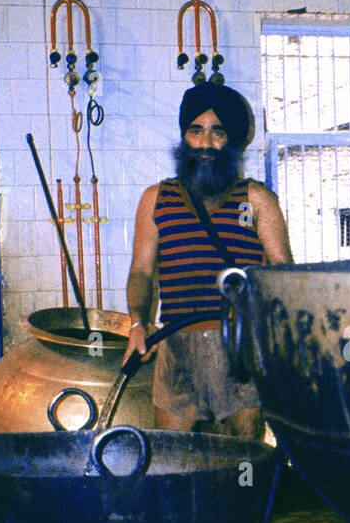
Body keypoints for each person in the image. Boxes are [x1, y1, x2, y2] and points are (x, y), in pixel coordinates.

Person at [123, 81, 292, 439]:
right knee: (174, 457)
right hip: (176, 350)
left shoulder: (258, 200)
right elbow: (140, 271)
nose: (206, 143)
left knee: (244, 460)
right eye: (196, 131)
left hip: (241, 349)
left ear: (232, 140)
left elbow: (282, 274)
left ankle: (247, 495)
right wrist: (138, 323)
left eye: (217, 132)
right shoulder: (156, 198)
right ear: (184, 136)